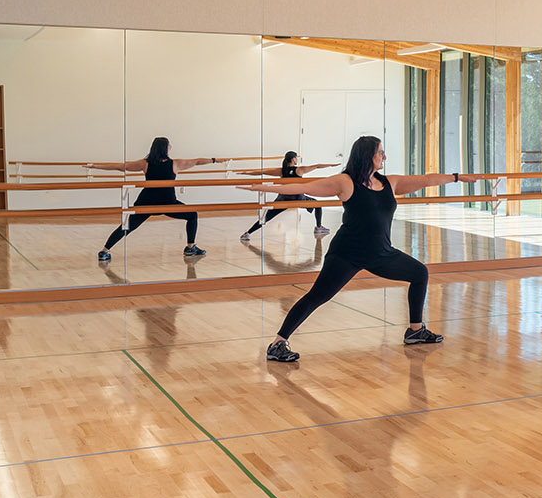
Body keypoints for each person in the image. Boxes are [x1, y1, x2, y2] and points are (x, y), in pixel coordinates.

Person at [241, 135, 461, 363]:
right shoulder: (345, 182)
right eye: (380, 153)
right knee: (317, 296)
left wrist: (456, 177)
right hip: (347, 254)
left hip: (381, 253)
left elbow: (425, 180)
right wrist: (264, 188)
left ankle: (415, 330)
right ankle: (277, 343)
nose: (384, 156)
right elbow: (307, 186)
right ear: (367, 156)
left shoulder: (389, 182)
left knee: (419, 273)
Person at [90, 137, 221, 261]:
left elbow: (120, 167)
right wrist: (214, 160)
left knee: (127, 227)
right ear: (166, 149)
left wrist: (96, 166)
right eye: (169, 146)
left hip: (147, 202)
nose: (170, 148)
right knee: (192, 215)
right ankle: (190, 248)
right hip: (167, 203)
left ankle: (104, 251)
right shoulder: (175, 164)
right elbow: (197, 161)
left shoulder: (145, 163)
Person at [239, 151, 338, 241]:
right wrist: (332, 165)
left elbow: (262, 172)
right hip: (298, 198)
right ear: (293, 159)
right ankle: (318, 227)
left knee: (267, 217)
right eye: (296, 158)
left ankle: (247, 233)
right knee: (317, 204)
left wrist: (246, 173)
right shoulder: (299, 170)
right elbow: (317, 166)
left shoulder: (282, 171)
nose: (297, 160)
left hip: (284, 198)